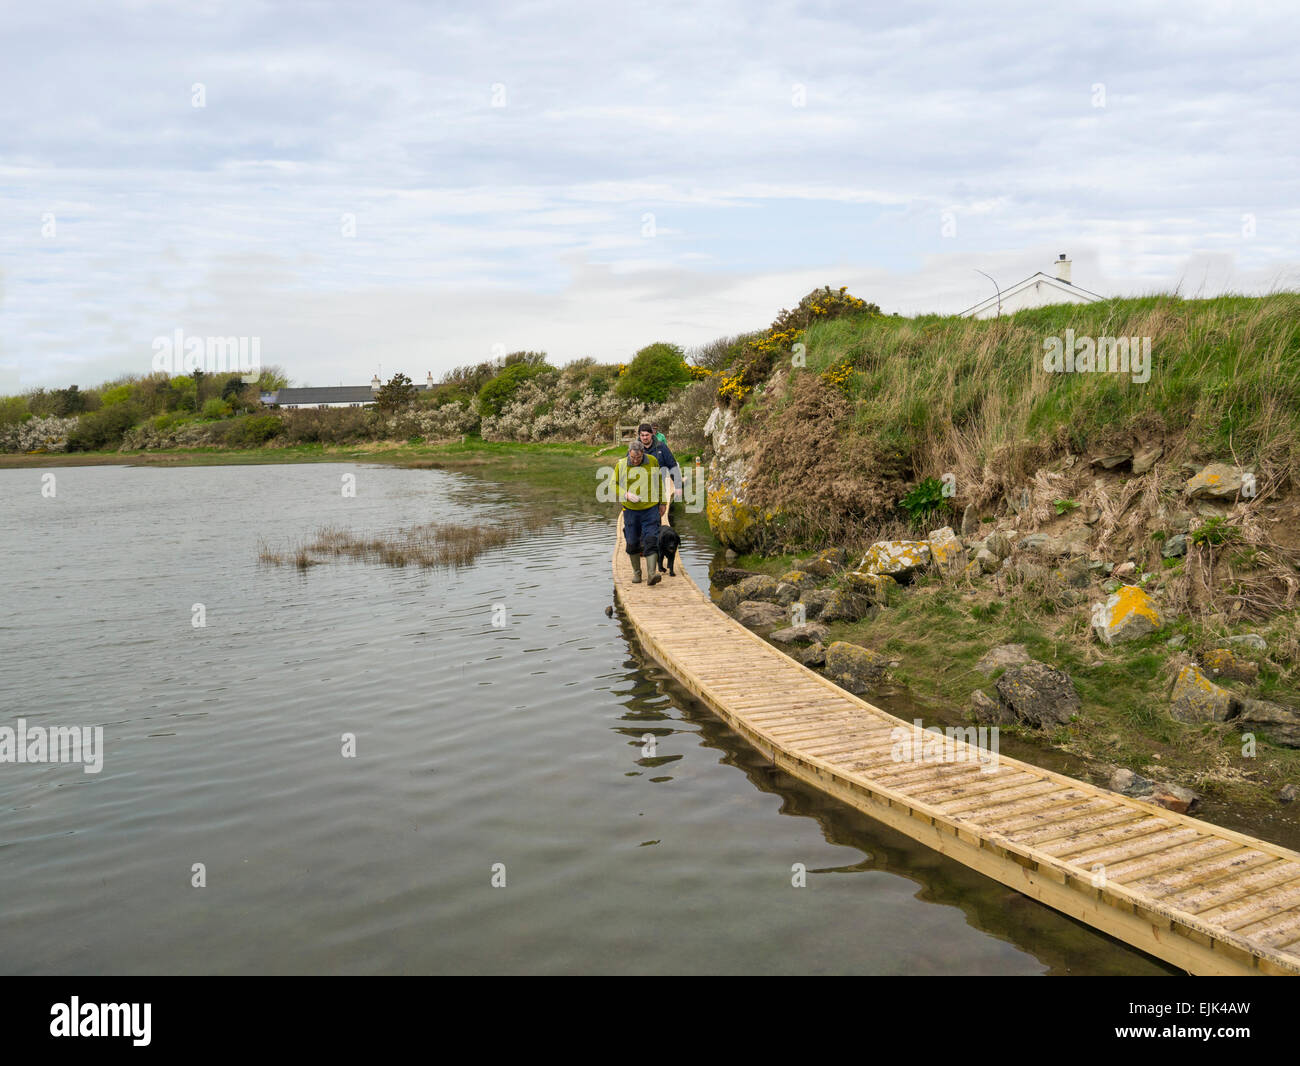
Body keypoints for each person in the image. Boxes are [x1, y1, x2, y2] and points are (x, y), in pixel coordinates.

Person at [614, 440, 662, 585]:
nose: (635, 460)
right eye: (633, 457)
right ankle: (637, 573)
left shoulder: (652, 461)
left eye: (638, 458)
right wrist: (626, 494)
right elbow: (613, 485)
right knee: (632, 540)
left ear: (643, 454)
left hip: (651, 508)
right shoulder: (621, 464)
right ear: (629, 453)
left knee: (651, 538)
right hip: (630, 511)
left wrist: (664, 502)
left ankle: (652, 574)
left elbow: (658, 481)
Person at [637, 423, 680, 523]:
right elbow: (627, 468)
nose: (644, 438)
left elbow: (672, 465)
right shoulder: (635, 448)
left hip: (658, 490)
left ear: (652, 434)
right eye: (642, 435)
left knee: (656, 519)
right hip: (639, 489)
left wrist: (678, 486)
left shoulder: (661, 447)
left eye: (647, 435)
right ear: (639, 436)